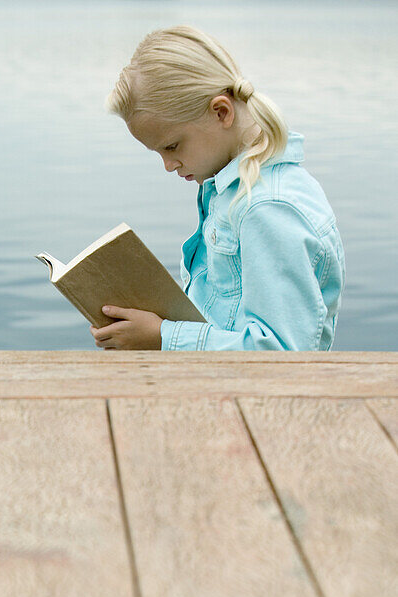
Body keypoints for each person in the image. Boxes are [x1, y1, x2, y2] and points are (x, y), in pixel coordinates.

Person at [91, 25, 345, 352]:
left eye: (171, 146)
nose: (168, 165)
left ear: (221, 112)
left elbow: (281, 352)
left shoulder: (267, 208)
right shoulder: (231, 190)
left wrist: (162, 337)